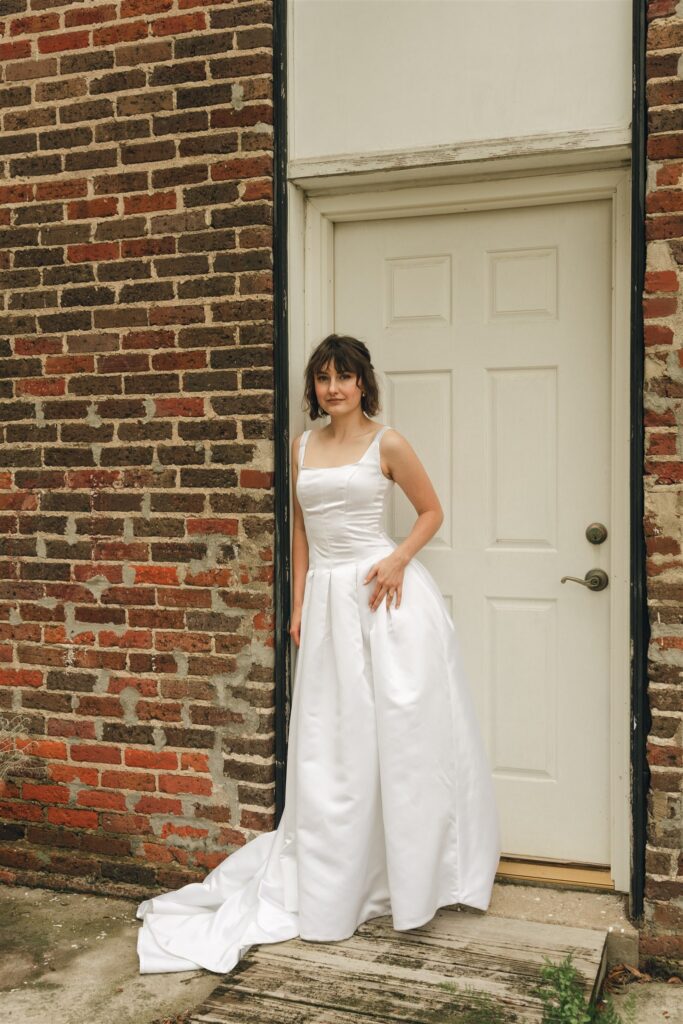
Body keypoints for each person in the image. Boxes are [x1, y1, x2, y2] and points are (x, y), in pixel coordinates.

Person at [135, 333, 501, 975]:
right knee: (337, 742)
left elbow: (430, 511)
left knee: (403, 737)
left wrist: (397, 560)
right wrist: (300, 601)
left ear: (364, 384)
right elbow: (301, 528)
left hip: (384, 599)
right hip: (328, 604)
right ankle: (337, 872)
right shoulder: (302, 447)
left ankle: (414, 876)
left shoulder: (387, 443)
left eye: (345, 377)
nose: (333, 388)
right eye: (323, 378)